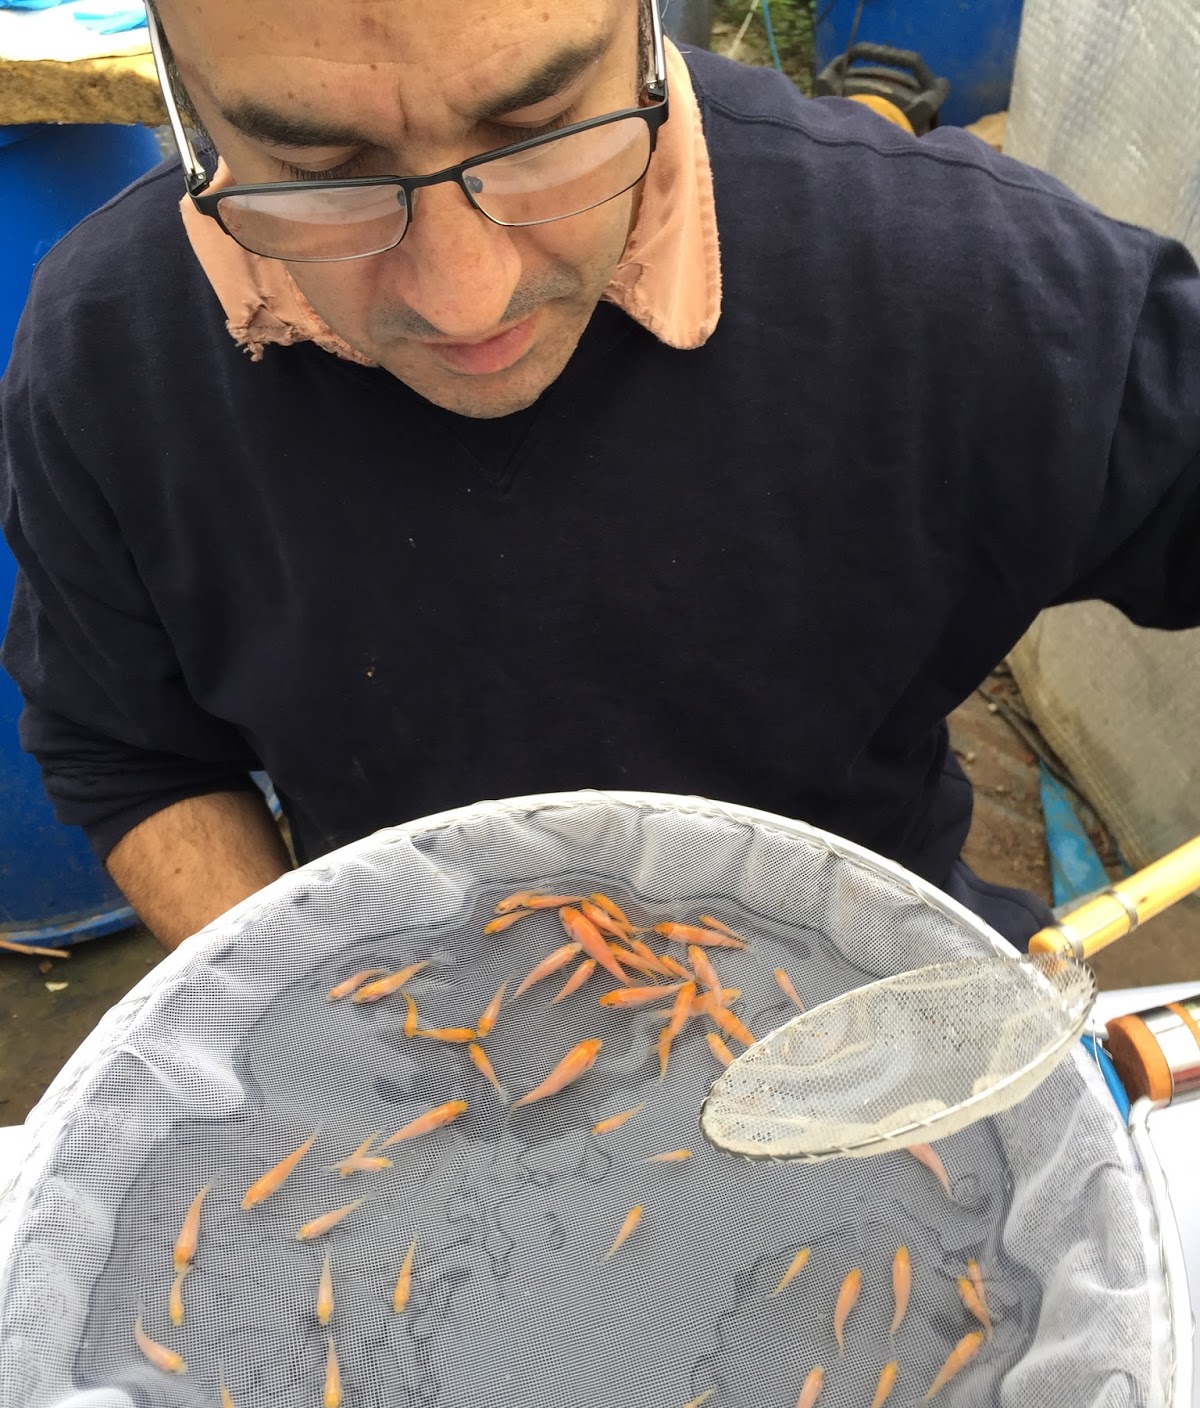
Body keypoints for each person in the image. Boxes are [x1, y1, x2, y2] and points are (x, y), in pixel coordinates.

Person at [2, 0, 1198, 952]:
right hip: (421, 1041)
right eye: (317, 169)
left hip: (877, 1015)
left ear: (643, 28)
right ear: (181, 98)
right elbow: (131, 751)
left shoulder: (946, 277)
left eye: (539, 128)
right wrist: (316, 1009)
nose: (466, 300)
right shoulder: (104, 355)